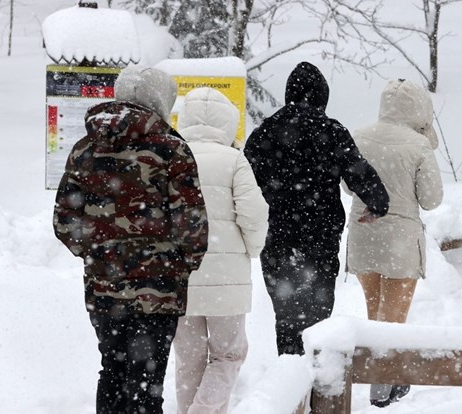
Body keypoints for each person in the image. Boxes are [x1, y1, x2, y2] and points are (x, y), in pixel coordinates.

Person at [53, 66, 209, 414]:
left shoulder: (84, 149)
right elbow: (192, 227)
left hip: (103, 290)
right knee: (145, 384)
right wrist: (179, 265)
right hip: (159, 288)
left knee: (111, 370)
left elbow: (65, 222)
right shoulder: (171, 150)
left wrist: (98, 255)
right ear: (159, 99)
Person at [244, 61, 390, 355]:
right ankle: (314, 386)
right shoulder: (332, 131)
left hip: (277, 239)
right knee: (317, 322)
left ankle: (289, 377)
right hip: (319, 239)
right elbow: (359, 173)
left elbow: (245, 185)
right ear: (322, 96)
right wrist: (377, 204)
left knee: (285, 319)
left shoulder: (264, 134)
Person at [345, 79, 443, 407]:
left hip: (364, 234)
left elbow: (349, 187)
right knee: (394, 318)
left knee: (376, 312)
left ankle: (387, 376)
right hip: (400, 240)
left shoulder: (359, 136)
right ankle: (381, 387)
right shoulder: (418, 145)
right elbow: (431, 199)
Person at [172, 87, 269, 414]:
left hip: (180, 276)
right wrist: (253, 248)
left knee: (189, 357)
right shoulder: (234, 160)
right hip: (226, 278)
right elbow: (254, 214)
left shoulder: (171, 155)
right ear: (228, 122)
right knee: (228, 354)